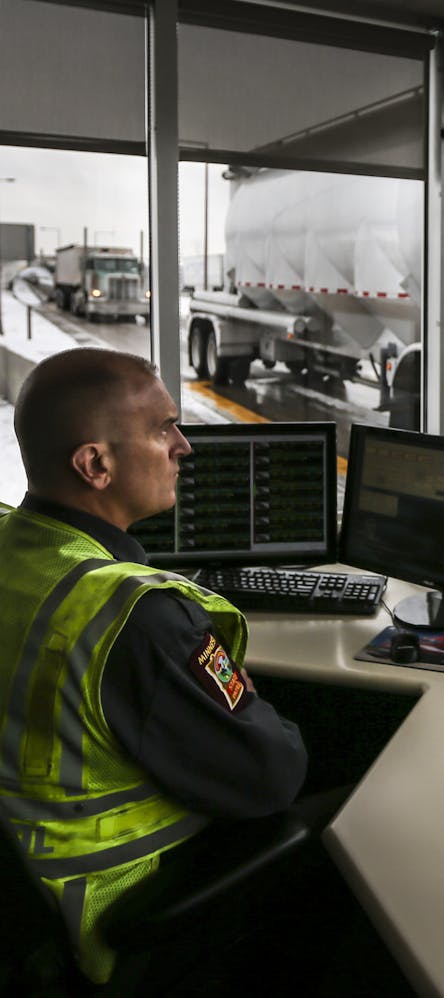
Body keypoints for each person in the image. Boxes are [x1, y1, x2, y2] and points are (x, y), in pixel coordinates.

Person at [0, 348, 308, 986]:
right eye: (163, 428)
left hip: (19, 896)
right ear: (96, 464)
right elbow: (272, 775)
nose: (183, 447)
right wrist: (240, 696)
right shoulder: (135, 617)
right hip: (110, 917)